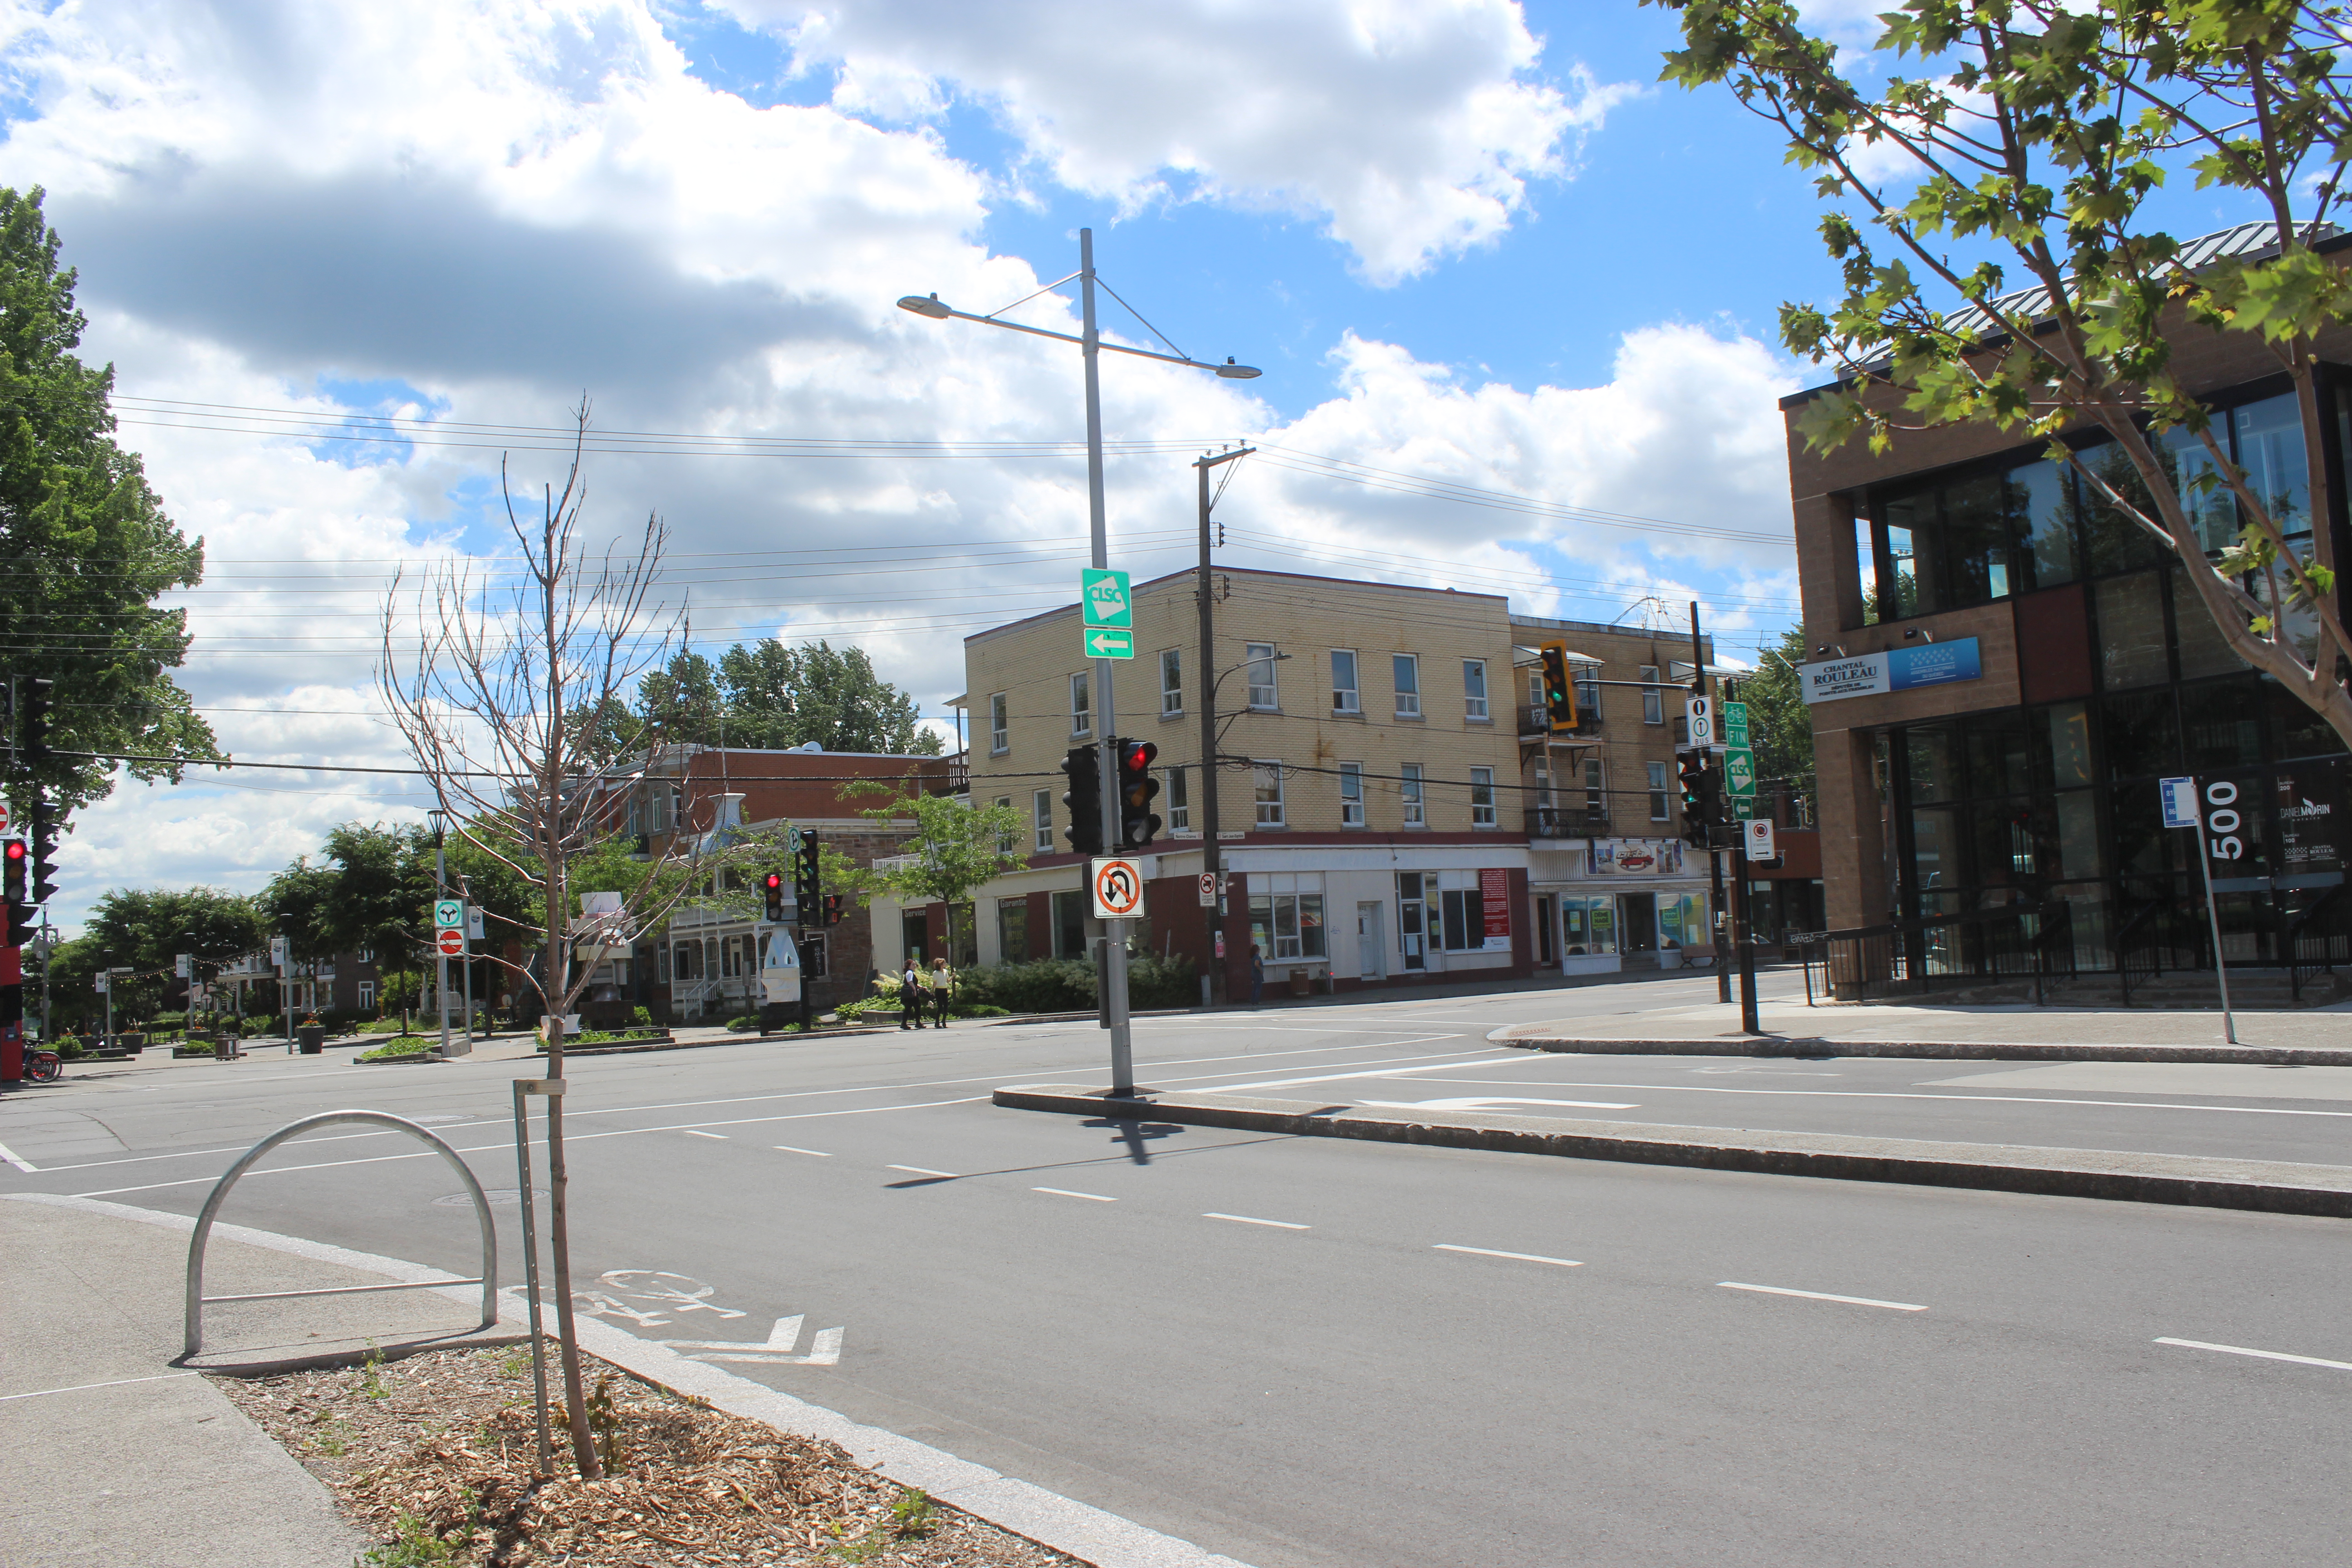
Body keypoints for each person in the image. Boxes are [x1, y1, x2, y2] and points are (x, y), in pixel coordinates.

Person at [900, 957, 928, 1029]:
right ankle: (915, 1023)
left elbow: (914, 983)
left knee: (911, 1008)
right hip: (911, 994)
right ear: (909, 966)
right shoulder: (910, 972)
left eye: (915, 965)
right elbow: (910, 982)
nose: (915, 966)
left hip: (911, 993)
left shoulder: (910, 972)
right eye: (913, 965)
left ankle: (907, 1023)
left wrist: (921, 987)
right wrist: (915, 990)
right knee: (915, 1007)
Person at [929, 956, 954, 1029]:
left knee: (946, 1006)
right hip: (938, 990)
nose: (946, 964)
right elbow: (935, 983)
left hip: (944, 989)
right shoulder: (936, 973)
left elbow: (948, 981)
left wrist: (952, 976)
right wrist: (932, 991)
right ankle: (937, 1023)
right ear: (941, 964)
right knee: (940, 1007)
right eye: (944, 963)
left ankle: (944, 1021)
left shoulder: (945, 972)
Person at [1248, 942, 1264, 1006]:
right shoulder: (1257, 957)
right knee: (1258, 987)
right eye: (1259, 949)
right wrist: (1261, 970)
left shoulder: (1253, 957)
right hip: (1257, 974)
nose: (1260, 950)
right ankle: (1256, 1001)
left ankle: (1253, 1001)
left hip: (1253, 973)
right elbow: (1256, 964)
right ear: (1257, 950)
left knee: (1255, 987)